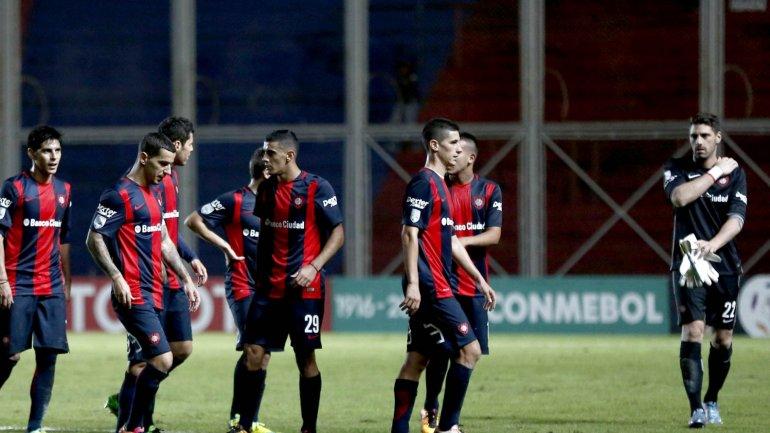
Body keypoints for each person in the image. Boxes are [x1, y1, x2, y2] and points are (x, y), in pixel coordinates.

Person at [86, 132, 201, 433]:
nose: (167, 171)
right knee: (161, 360)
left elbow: (164, 241)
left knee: (158, 360)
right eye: (163, 164)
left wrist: (185, 278)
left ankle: (131, 425)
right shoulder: (118, 194)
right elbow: (94, 238)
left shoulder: (155, 193)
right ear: (144, 158)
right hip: (132, 294)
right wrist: (116, 276)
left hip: (156, 291)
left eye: (170, 165)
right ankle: (133, 426)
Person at [234, 130, 344, 433]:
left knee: (305, 358)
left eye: (270, 153)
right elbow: (267, 235)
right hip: (268, 289)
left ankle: (309, 428)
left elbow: (338, 233)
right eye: (263, 152)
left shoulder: (317, 187)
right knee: (253, 353)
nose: (264, 158)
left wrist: (314, 266)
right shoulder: (266, 189)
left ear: (289, 156)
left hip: (303, 290)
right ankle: (244, 425)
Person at [391, 118, 496, 433]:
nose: (458, 150)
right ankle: (448, 427)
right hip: (431, 286)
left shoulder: (440, 185)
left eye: (460, 145)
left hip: (435, 283)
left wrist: (478, 278)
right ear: (434, 146)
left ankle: (401, 428)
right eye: (453, 144)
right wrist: (413, 283)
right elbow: (409, 233)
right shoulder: (423, 182)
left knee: (418, 358)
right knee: (470, 350)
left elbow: (450, 240)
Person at [663, 113, 747, 428]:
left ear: (718, 138)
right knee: (693, 330)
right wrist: (714, 173)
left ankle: (712, 399)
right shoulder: (676, 168)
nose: (698, 141)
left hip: (724, 264)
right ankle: (696, 408)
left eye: (704, 136)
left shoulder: (736, 174)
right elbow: (679, 197)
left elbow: (736, 220)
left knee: (723, 338)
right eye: (693, 136)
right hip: (689, 263)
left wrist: (712, 244)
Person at [184, 149, 275, 433]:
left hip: (270, 289)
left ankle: (245, 418)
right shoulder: (235, 200)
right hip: (242, 283)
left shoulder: (279, 203)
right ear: (266, 171)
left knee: (261, 353)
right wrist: (224, 246)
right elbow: (193, 220)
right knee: (255, 349)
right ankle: (242, 422)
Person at [419, 132, 502, 433]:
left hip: (474, 287)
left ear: (471, 158)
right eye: (451, 149)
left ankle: (448, 419)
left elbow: (494, 235)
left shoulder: (489, 190)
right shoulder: (440, 189)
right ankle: (433, 409)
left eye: (459, 151)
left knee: (468, 354)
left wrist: (459, 241)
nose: (453, 156)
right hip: (446, 285)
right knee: (442, 350)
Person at [0, 126, 72, 433]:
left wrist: (66, 282)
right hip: (18, 283)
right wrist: (2, 281)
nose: (53, 157)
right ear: (31, 154)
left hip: (51, 284)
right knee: (10, 354)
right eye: (46, 151)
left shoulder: (65, 190)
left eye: (57, 150)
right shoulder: (14, 188)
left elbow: (63, 239)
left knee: (49, 355)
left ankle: (35, 426)